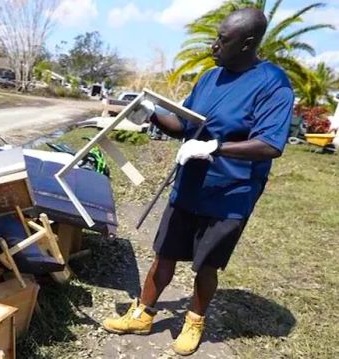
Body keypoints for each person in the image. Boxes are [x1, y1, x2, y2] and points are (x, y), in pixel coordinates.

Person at [103, 7, 294, 356]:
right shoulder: (210, 77)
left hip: (230, 194)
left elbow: (270, 144)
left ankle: (194, 320)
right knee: (165, 253)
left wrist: (215, 147)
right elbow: (186, 125)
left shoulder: (273, 84)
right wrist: (154, 118)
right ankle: (143, 313)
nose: (213, 45)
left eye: (223, 39)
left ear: (248, 43)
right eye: (216, 36)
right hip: (190, 184)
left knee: (206, 263)